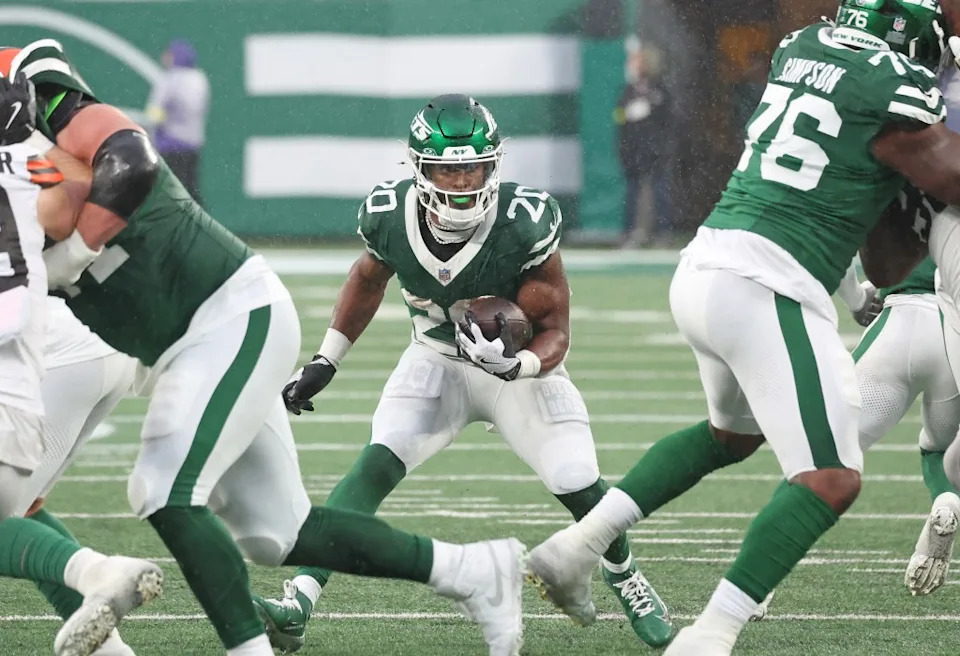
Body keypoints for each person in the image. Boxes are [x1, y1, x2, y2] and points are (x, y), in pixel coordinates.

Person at [2, 40, 525, 656]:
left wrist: (67, 254)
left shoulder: (57, 137)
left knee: (163, 488)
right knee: (276, 532)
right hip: (180, 341)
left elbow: (122, 164)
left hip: (227, 313)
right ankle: (476, 572)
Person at [525, 2, 960, 654]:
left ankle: (574, 546)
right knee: (831, 477)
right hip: (767, 284)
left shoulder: (802, 49)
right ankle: (711, 636)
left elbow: (883, 258)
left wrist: (907, 198)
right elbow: (943, 174)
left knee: (730, 434)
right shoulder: (895, 85)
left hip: (705, 267)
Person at [253, 93, 673, 653]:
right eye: (448, 169)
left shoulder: (523, 221)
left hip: (517, 373)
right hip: (437, 359)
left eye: (472, 166)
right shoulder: (388, 213)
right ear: (420, 168)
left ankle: (627, 578)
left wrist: (518, 362)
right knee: (376, 462)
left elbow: (556, 329)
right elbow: (368, 279)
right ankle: (298, 602)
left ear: (493, 163)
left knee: (575, 476)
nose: (462, 181)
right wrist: (327, 358)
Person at [0, 71, 163, 656]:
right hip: (86, 339)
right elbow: (78, 194)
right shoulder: (32, 161)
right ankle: (111, 647)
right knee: (22, 508)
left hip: (46, 355)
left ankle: (96, 572)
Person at [614, 46, 672, 247]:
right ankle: (629, 233)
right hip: (633, 150)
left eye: (637, 60)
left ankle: (663, 233)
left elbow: (666, 116)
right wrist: (627, 114)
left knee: (659, 190)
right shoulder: (629, 90)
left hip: (654, 150)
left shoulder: (658, 88)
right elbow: (619, 115)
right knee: (632, 192)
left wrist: (650, 108)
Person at [144, 39, 209, 205]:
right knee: (190, 188)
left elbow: (155, 112)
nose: (165, 57)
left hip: (170, 144)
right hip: (192, 145)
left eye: (169, 54)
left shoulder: (171, 79)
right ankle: (199, 225)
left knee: (170, 191)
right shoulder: (199, 79)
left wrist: (153, 130)